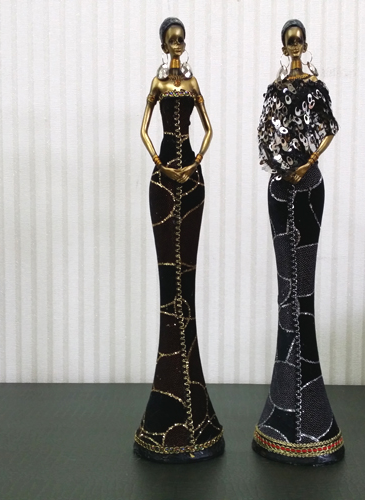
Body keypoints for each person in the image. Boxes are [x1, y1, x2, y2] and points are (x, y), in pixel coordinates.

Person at [252, 19, 345, 465]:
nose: (294, 48)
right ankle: (284, 407)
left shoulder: (315, 88)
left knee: (300, 292)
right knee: (286, 292)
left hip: (308, 187)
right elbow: (264, 138)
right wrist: (282, 168)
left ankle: (309, 419)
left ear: (305, 45)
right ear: (283, 46)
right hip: (280, 188)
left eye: (298, 42)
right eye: (288, 42)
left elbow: (329, 129)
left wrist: (307, 162)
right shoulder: (274, 92)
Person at [133, 17, 224, 463]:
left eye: (181, 40)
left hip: (191, 179)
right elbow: (144, 129)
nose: (176, 46)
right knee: (170, 285)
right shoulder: (157, 83)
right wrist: (161, 163)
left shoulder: (191, 83)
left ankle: (194, 413)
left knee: (184, 279)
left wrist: (194, 162)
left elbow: (208, 128)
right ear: (162, 44)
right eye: (171, 40)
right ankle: (171, 409)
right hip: (163, 180)